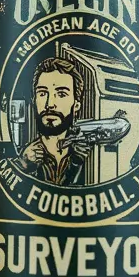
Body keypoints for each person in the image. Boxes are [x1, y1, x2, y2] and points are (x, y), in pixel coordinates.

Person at [18, 57, 90, 186]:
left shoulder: (87, 156)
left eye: (61, 94)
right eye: (42, 93)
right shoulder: (26, 157)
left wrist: (76, 164)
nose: (50, 104)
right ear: (34, 101)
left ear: (77, 105)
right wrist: (22, 165)